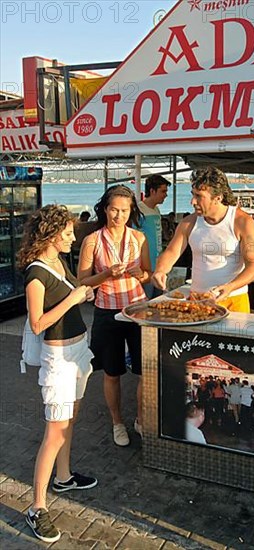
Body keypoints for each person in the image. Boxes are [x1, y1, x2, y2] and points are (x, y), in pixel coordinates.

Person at [17, 205, 97, 543]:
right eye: (66, 232)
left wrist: (86, 292)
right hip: (59, 357)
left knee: (71, 418)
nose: (71, 237)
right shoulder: (37, 274)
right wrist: (75, 299)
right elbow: (38, 322)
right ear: (49, 234)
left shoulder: (58, 262)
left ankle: (63, 476)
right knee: (55, 430)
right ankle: (37, 507)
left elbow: (72, 294)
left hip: (78, 349)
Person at [78, 185, 151, 445]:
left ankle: (141, 420)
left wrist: (139, 274)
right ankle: (117, 422)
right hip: (107, 310)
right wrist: (108, 273)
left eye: (124, 210)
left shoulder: (139, 238)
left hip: (137, 309)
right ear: (105, 209)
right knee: (112, 371)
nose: (118, 215)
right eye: (113, 210)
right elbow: (82, 282)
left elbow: (147, 274)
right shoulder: (92, 240)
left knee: (145, 371)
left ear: (131, 211)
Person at [152, 167, 254, 312]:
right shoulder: (189, 222)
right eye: (193, 195)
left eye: (199, 196)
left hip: (233, 299)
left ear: (218, 197)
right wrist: (160, 270)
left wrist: (230, 287)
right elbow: (171, 252)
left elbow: (253, 268)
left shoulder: (242, 222)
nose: (192, 201)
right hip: (197, 299)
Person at [138, 174, 171, 298]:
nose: (166, 195)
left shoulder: (156, 210)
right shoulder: (139, 211)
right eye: (163, 191)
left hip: (158, 265)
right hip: (145, 267)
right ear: (152, 191)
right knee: (146, 302)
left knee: (158, 299)